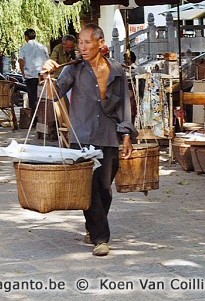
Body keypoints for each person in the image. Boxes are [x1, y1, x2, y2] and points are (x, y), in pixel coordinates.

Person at [43, 23, 137, 257]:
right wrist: (46, 75)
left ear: (101, 43)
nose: (81, 47)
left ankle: (93, 225)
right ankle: (101, 237)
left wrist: (127, 134)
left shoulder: (116, 69)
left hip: (108, 135)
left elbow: (125, 104)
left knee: (104, 187)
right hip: (81, 136)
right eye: (80, 42)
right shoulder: (73, 69)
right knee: (91, 187)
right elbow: (54, 95)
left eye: (87, 42)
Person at [18, 29, 49, 111]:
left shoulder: (24, 48)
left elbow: (21, 60)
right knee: (42, 97)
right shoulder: (43, 47)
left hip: (30, 75)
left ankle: (34, 118)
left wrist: (23, 72)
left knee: (33, 98)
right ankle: (42, 117)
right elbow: (47, 60)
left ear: (26, 37)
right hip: (42, 75)